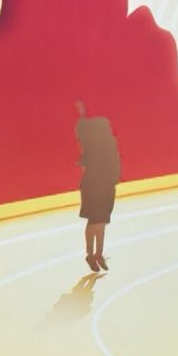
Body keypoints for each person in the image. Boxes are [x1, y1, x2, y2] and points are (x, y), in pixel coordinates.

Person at [75, 100, 120, 273]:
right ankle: (91, 254)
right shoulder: (94, 142)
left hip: (105, 183)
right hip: (95, 184)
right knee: (96, 220)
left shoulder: (105, 142)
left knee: (101, 221)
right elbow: (81, 129)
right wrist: (82, 112)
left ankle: (98, 253)